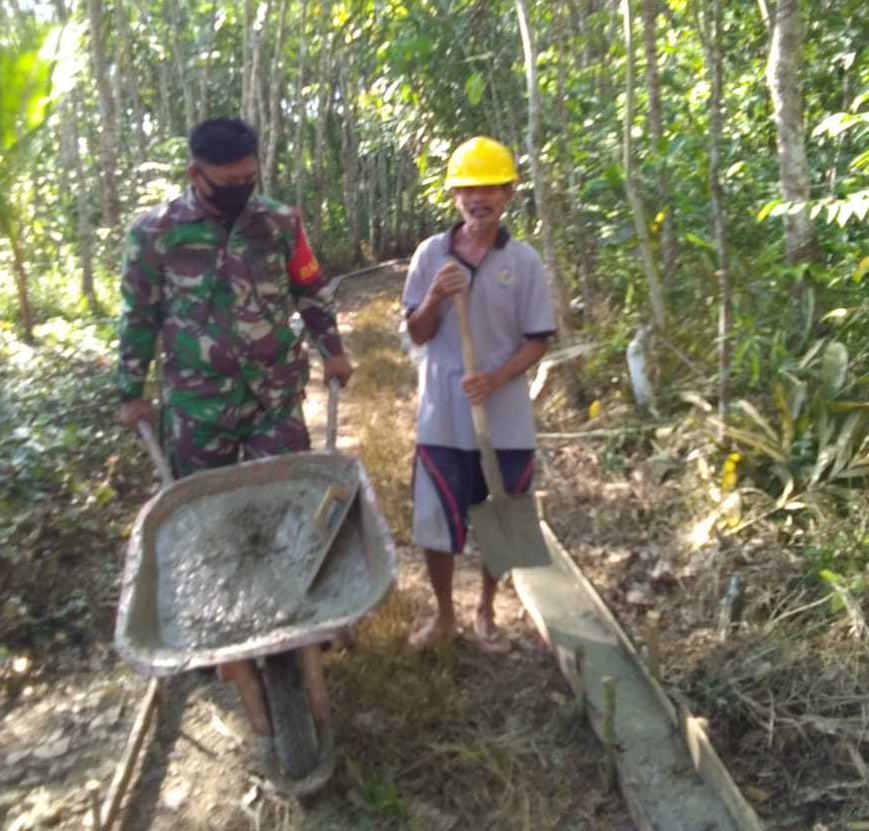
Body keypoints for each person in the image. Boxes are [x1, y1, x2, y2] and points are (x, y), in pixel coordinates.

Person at [116, 114, 353, 746]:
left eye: (249, 178)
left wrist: (331, 349)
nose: (241, 190)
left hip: (273, 396)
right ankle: (222, 630)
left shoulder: (279, 223)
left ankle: (305, 613)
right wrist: (130, 390)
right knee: (207, 524)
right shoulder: (155, 234)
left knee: (293, 508)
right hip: (199, 408)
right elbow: (139, 315)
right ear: (195, 175)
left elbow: (311, 290)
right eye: (228, 182)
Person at [401, 136, 555, 655]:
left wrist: (494, 379)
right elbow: (417, 332)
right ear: (454, 196)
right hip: (442, 415)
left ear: (508, 194)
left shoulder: (524, 262)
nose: (477, 198)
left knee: (500, 517)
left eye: (489, 188)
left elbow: (537, 340)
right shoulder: (430, 255)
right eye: (467, 189)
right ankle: (445, 615)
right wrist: (434, 296)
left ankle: (486, 610)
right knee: (434, 522)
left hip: (504, 418)